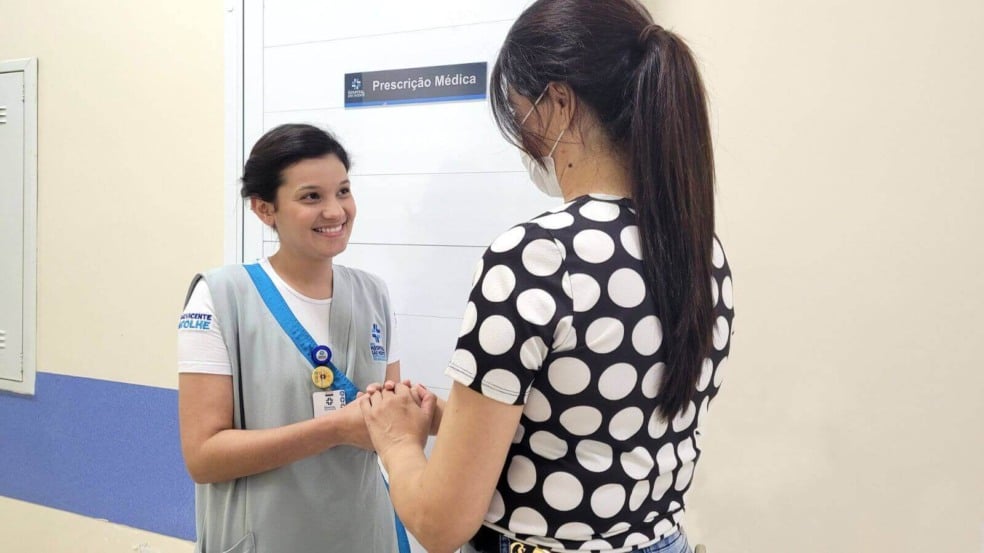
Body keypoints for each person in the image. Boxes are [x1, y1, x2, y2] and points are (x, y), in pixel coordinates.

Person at [360, 1, 735, 552]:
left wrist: (396, 441)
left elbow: (440, 523)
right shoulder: (701, 251)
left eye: (518, 115)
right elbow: (595, 428)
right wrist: (455, 421)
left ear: (559, 101)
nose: (522, 142)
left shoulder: (537, 256)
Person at [177, 123, 405, 553]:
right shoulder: (221, 298)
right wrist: (334, 429)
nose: (335, 211)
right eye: (311, 197)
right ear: (265, 209)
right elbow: (204, 457)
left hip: (365, 535)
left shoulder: (373, 296)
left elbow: (389, 420)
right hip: (265, 538)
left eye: (343, 191)